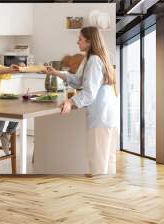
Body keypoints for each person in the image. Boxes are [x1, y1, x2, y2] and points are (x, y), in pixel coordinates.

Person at [44, 26, 118, 176]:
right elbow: (78, 81)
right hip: (108, 115)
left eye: (80, 39)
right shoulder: (91, 59)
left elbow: (89, 93)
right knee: (107, 160)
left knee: (98, 162)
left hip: (100, 116)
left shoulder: (94, 60)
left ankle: (99, 193)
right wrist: (56, 73)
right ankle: (107, 193)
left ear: (89, 41)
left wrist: (70, 102)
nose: (77, 42)